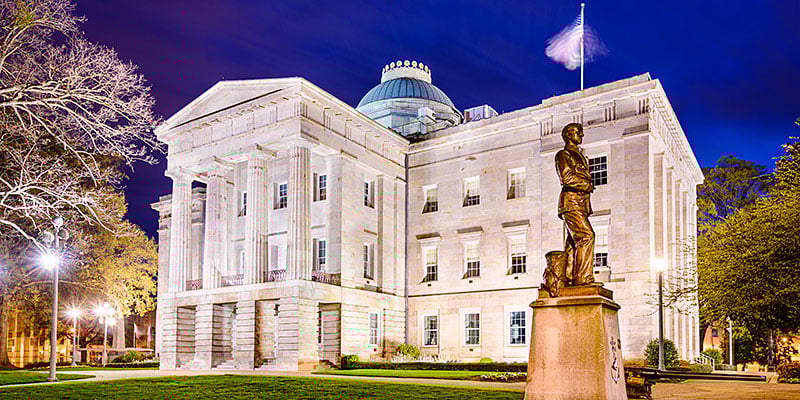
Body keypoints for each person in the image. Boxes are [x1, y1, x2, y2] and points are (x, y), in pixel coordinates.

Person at [555, 122, 595, 286]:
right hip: (571, 201)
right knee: (586, 236)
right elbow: (567, 177)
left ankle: (570, 277)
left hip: (580, 203)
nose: (581, 135)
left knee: (573, 242)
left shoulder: (580, 156)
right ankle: (583, 279)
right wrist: (587, 185)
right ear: (568, 135)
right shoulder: (564, 154)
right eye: (578, 132)